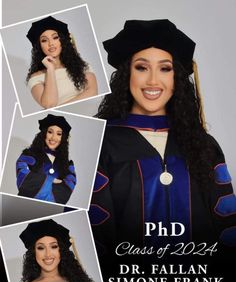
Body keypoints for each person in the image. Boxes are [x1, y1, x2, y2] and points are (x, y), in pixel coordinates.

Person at [89, 19, 236, 259]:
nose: (153, 81)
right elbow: (94, 237)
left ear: (176, 77)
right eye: (142, 67)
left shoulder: (203, 145)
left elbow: (228, 225)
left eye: (165, 68)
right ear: (127, 74)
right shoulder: (100, 144)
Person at [17, 219, 97, 282]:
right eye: (41, 248)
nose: (48, 254)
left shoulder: (80, 281)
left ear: (61, 251)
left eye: (54, 246)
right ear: (34, 253)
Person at [26, 16, 98, 109]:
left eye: (55, 37)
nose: (50, 43)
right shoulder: (36, 77)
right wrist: (50, 70)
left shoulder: (82, 66)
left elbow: (92, 92)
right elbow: (49, 105)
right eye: (44, 40)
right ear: (39, 46)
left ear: (63, 41)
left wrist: (61, 108)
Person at [16, 113, 76, 204]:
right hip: (23, 206)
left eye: (59, 134)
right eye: (50, 132)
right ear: (44, 133)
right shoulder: (29, 155)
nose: (53, 137)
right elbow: (23, 177)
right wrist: (52, 180)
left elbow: (66, 190)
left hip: (48, 210)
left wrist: (39, 181)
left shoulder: (67, 165)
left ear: (63, 138)